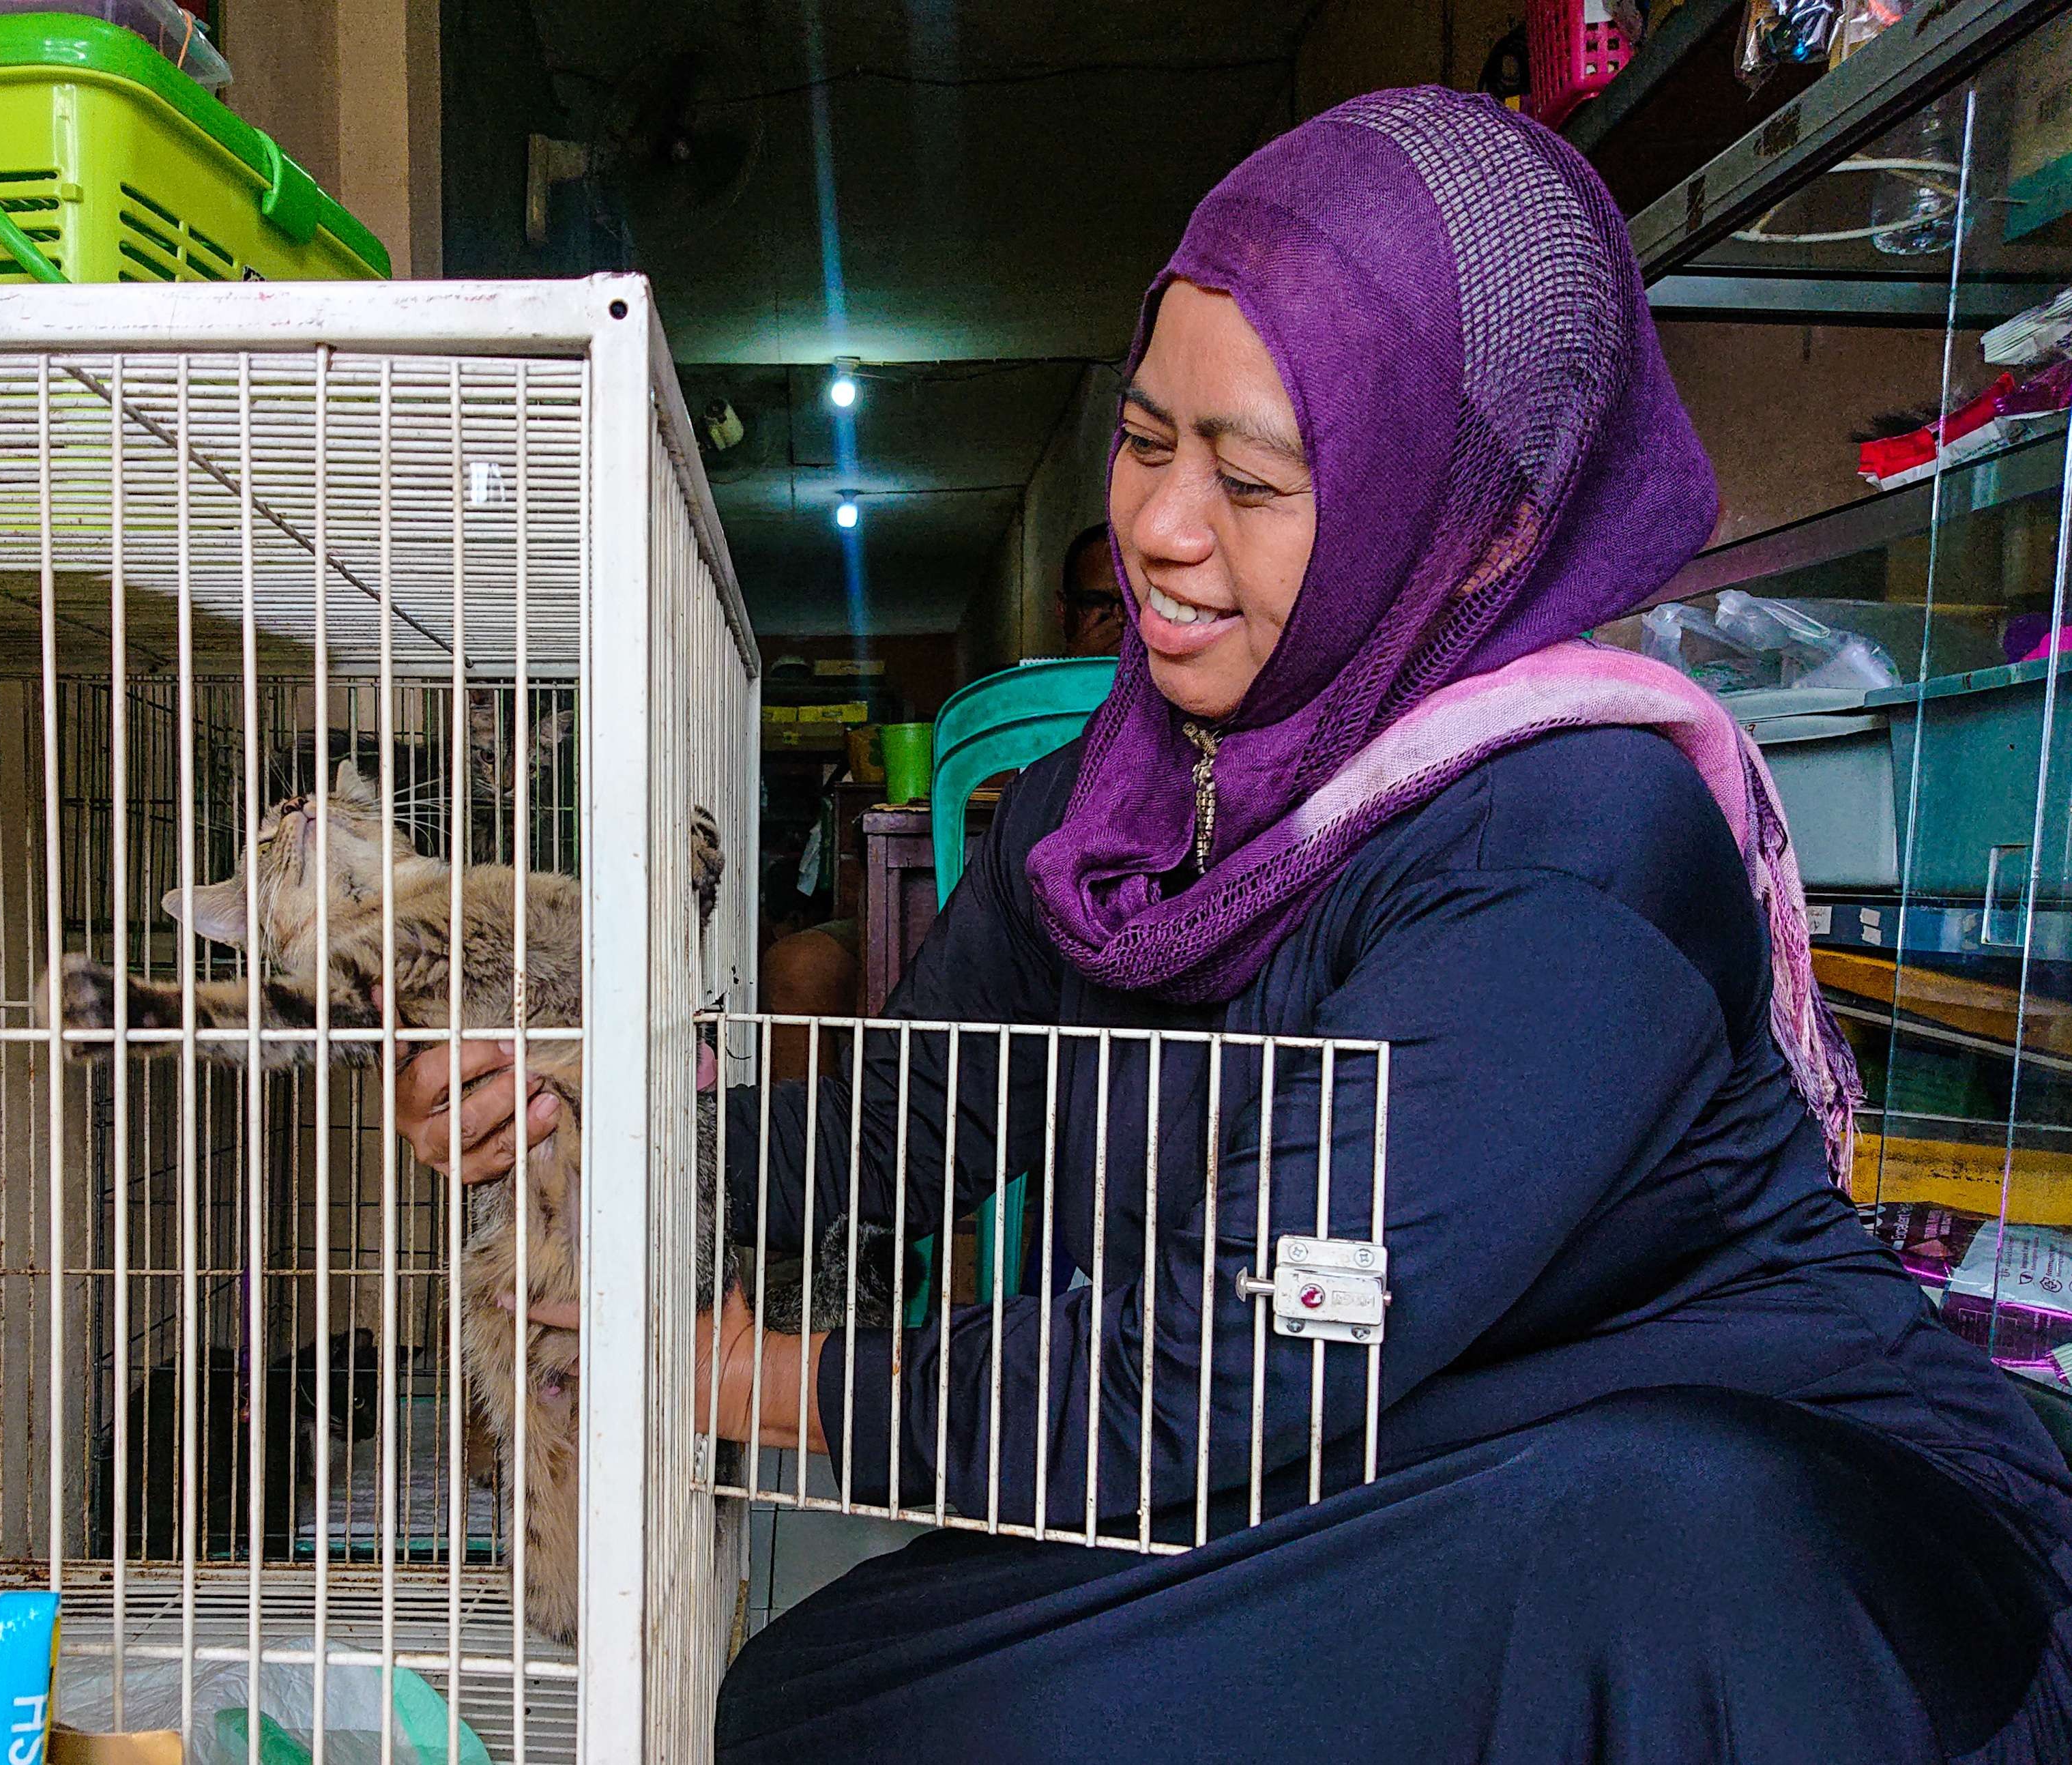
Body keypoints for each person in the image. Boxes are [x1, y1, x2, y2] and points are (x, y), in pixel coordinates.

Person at [394, 89, 2072, 1761]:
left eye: (1249, 479)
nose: (1157, 533)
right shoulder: (1105, 818)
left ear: (1474, 524)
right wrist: (586, 1122)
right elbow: (910, 1116)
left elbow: (1220, 1358)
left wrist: (761, 1379)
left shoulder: (1566, 839)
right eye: (1141, 440)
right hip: (1374, 1462)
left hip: (1755, 1543)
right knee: (814, 1698)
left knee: (1649, 1525)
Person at [1056, 521, 1126, 657]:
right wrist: (1079, 667)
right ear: (1062, 609)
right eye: (1096, 602)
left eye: (1132, 602)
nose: (1120, 618)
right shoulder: (1018, 678)